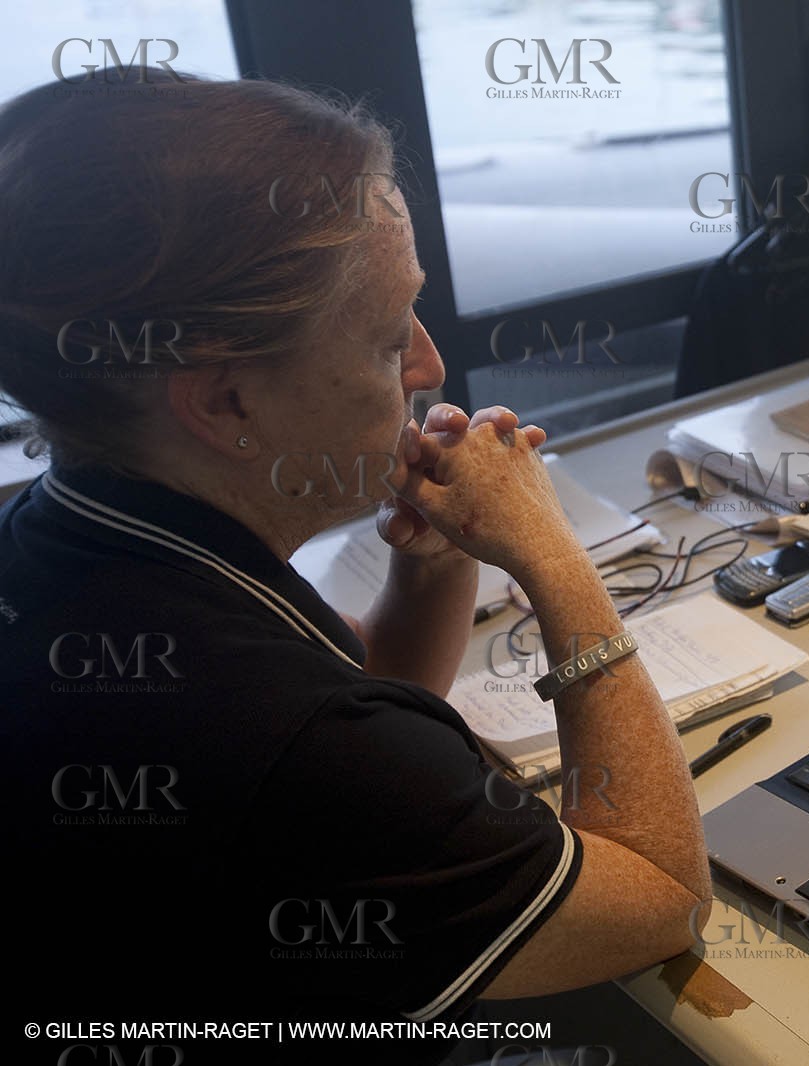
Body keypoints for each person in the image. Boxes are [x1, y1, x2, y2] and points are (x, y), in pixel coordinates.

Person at [1, 74, 709, 1064]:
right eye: (386, 342)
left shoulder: (76, 531)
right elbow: (660, 898)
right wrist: (555, 558)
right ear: (226, 403)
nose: (427, 367)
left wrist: (433, 568)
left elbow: (371, 705)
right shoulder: (283, 736)